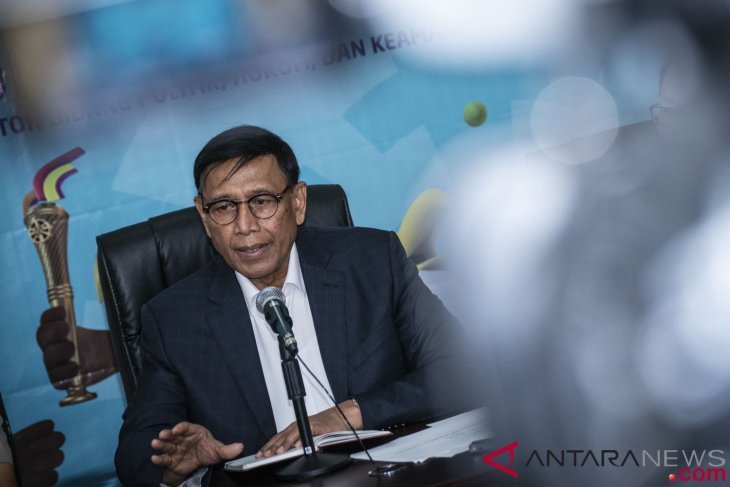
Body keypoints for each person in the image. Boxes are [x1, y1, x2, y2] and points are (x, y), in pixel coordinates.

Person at [115, 125, 472, 486]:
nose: (244, 226)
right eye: (223, 207)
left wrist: (350, 414)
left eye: (262, 202)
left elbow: (462, 370)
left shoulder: (374, 263)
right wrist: (176, 464)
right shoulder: (174, 320)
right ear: (204, 217)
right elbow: (134, 452)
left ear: (298, 202)